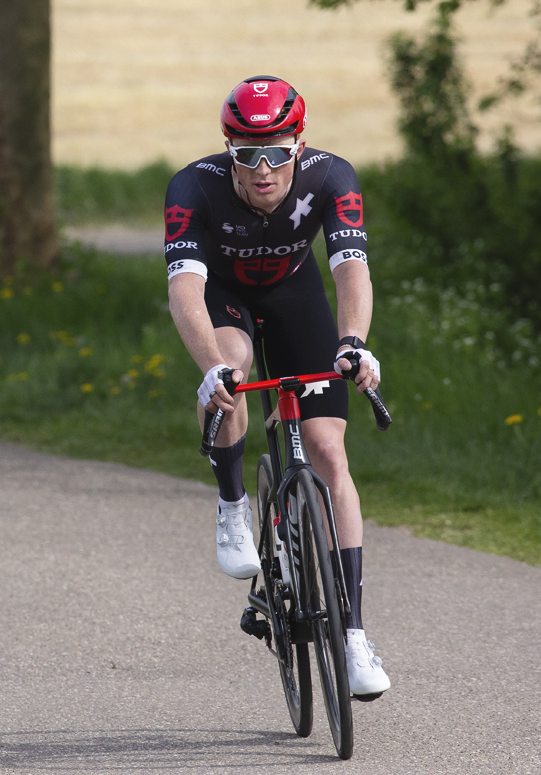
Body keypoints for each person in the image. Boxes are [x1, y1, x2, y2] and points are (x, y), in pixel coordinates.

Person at [164, 75, 390, 697]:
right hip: (225, 298)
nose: (262, 169)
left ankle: (352, 637)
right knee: (232, 366)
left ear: (299, 144)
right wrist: (211, 367)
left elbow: (351, 269)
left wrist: (353, 342)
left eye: (277, 152)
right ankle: (233, 503)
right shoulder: (193, 186)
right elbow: (184, 287)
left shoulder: (331, 176)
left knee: (328, 452)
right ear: (228, 149)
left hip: (295, 297)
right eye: (246, 154)